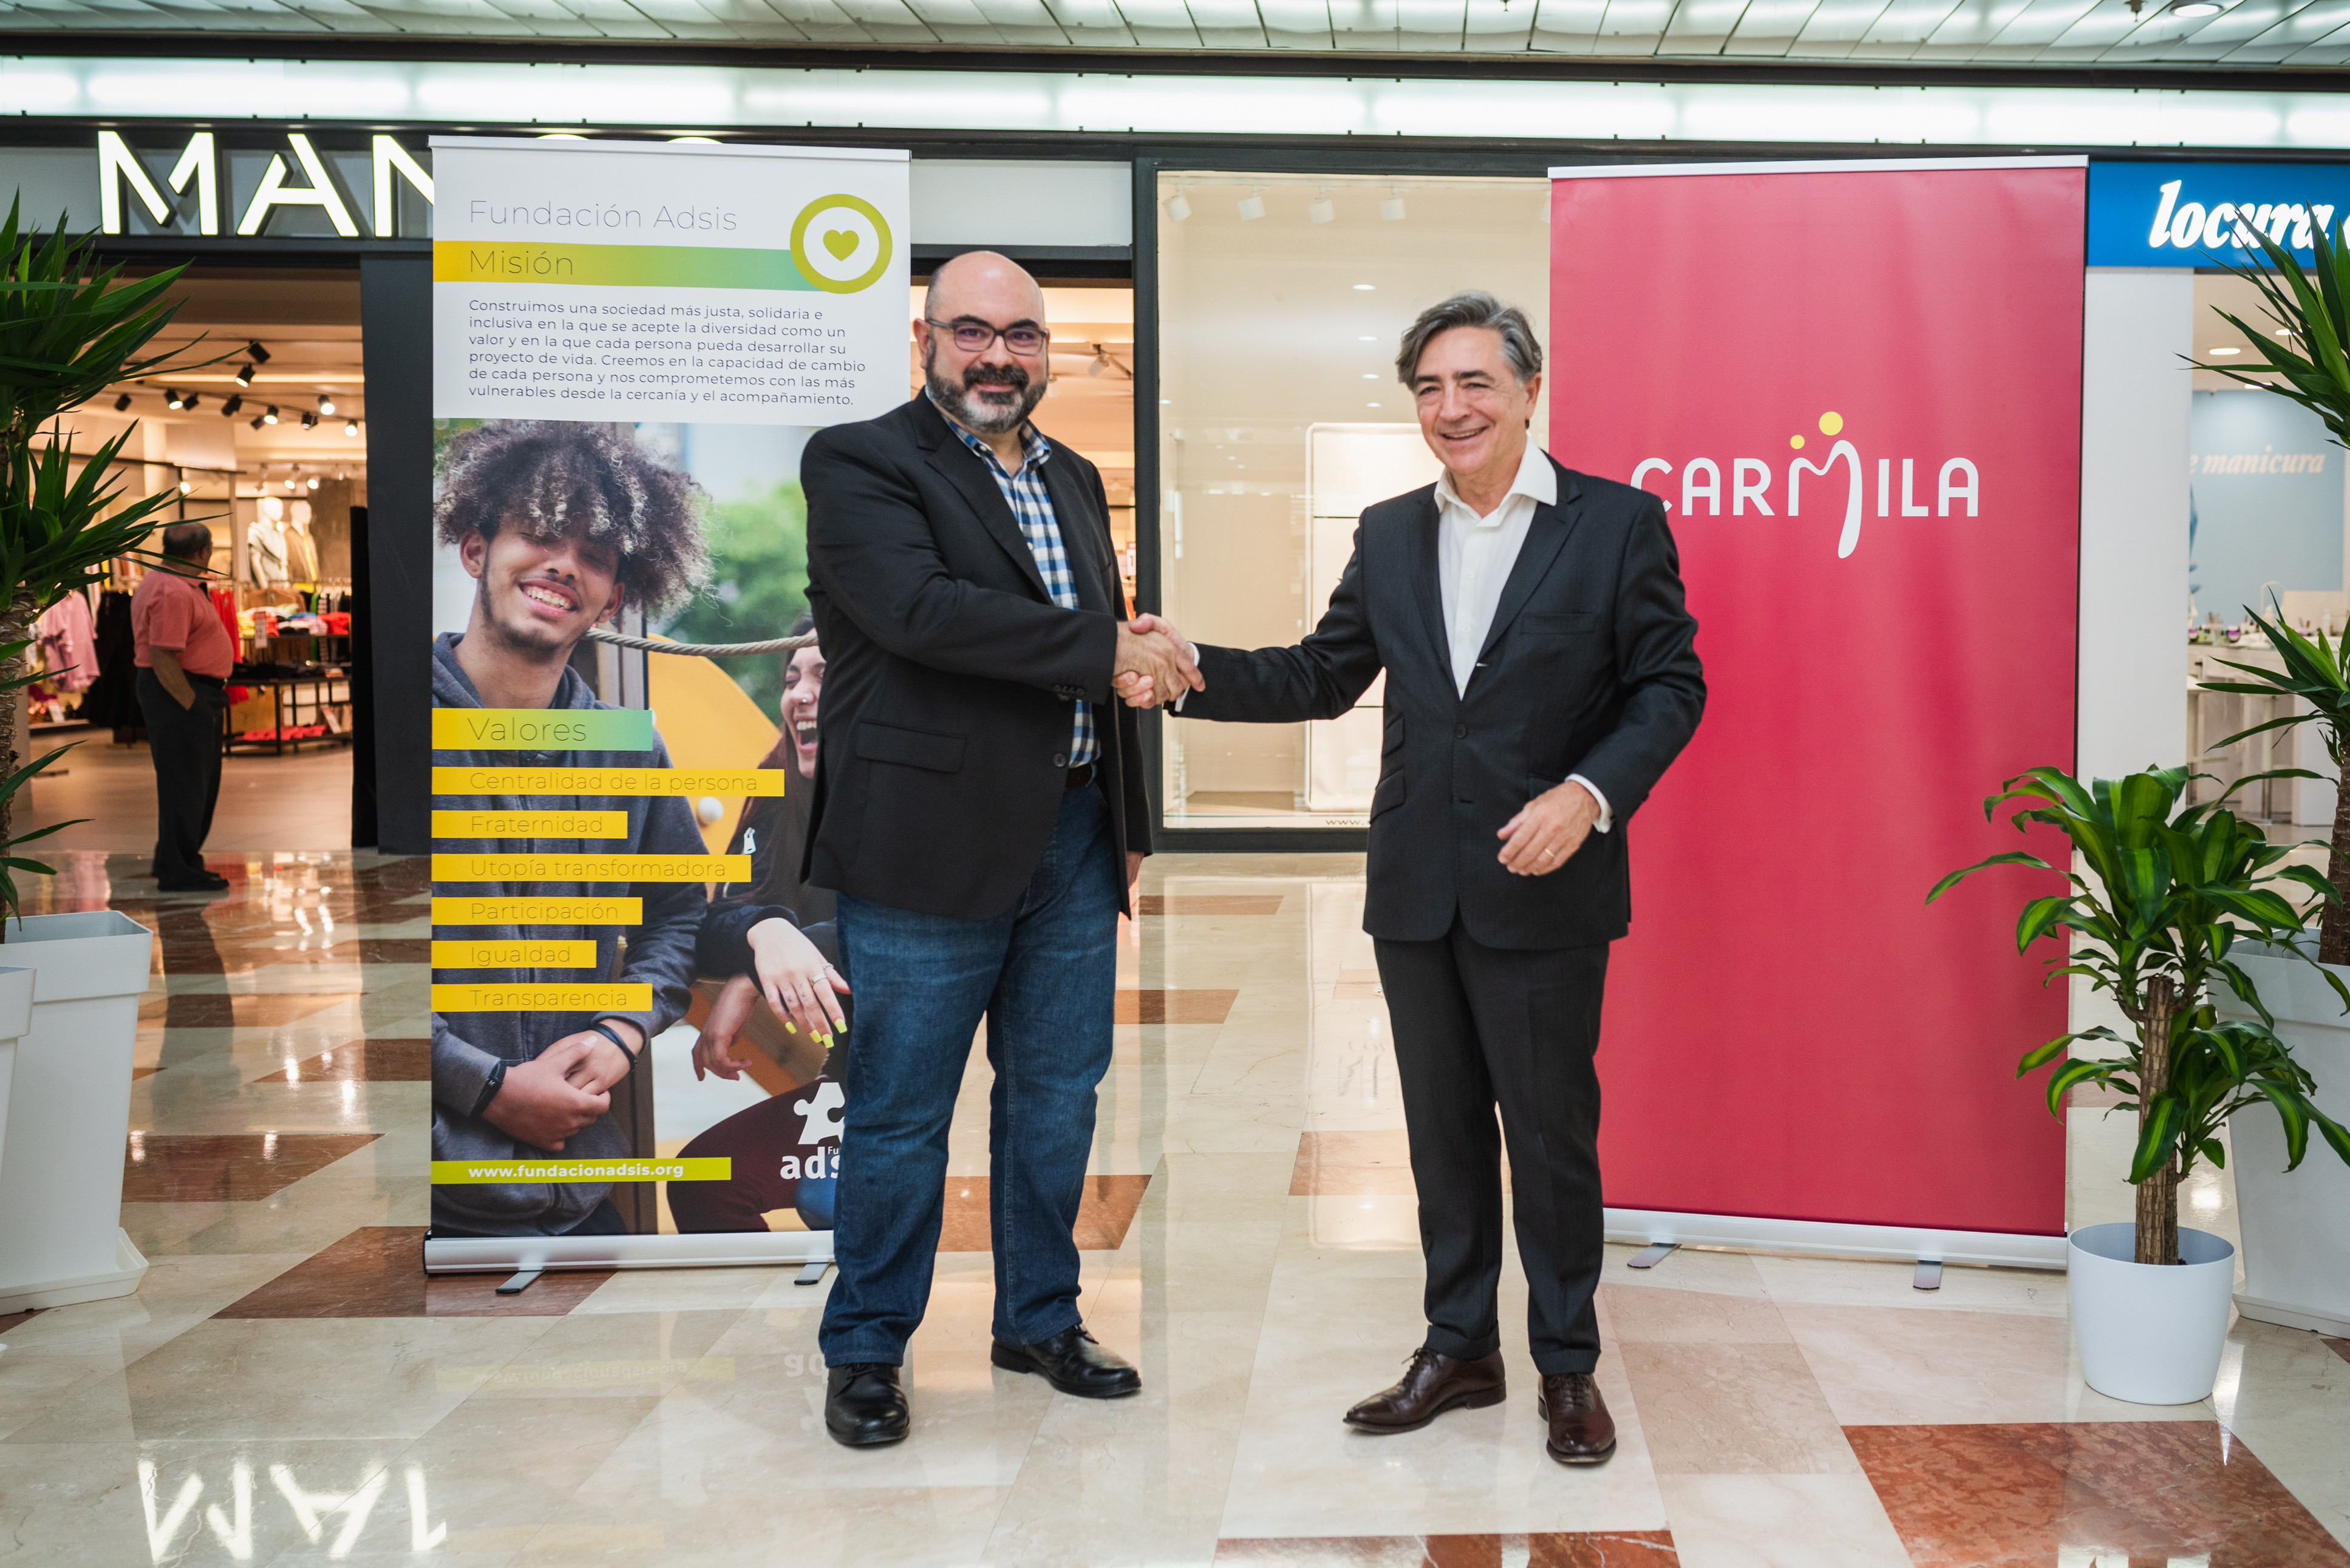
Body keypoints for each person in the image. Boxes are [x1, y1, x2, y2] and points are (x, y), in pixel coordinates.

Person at [1125, 292, 1705, 1466]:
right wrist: (1191, 669)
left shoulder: (1615, 525)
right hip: (1416, 886)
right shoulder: (1391, 531)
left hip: (1545, 883)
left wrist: (1588, 796)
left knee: (1549, 1136)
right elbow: (1321, 672)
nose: (1452, 408)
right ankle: (1460, 1345)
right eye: (1431, 389)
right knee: (1439, 1135)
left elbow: (1670, 687)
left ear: (1529, 390)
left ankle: (1567, 1363)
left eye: (1475, 382)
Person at [799, 249, 1201, 1447]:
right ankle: (867, 1347)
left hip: (1073, 836)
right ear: (926, 339)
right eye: (972, 331)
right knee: (901, 1112)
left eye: (1022, 335)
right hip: (928, 848)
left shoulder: (1075, 474)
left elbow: (1095, 645)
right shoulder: (863, 460)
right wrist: (1107, 654)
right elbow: (922, 614)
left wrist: (1125, 818)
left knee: (1057, 1098)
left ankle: (1038, 1316)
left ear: (1047, 351)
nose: (997, 355)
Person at [429, 420, 712, 1240]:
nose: (564, 565)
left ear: (615, 597)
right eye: (540, 534)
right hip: (427, 1192)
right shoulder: (397, 733)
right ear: (476, 549)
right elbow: (353, 967)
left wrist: (625, 1025)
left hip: (584, 1188)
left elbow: (678, 911)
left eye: (595, 555)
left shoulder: (628, 745)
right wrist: (484, 1085)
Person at [669, 615, 853, 1235]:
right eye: (791, 677)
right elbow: (714, 917)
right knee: (704, 1180)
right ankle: (777, 1332)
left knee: (833, 1204)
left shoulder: (912, 794)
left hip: (906, 1092)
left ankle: (861, 1322)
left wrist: (756, 971)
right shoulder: (776, 786)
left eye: (823, 675)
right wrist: (765, 934)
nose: (800, 693)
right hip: (848, 1083)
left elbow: (890, 940)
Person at [132, 521, 234, 892]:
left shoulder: (169, 581)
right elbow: (163, 657)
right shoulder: (172, 590)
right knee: (187, 785)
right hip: (179, 694)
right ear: (204, 552)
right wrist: (193, 705)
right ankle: (179, 869)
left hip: (184, 691)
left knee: (189, 783)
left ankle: (177, 860)